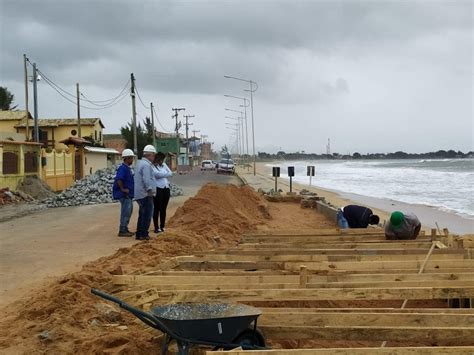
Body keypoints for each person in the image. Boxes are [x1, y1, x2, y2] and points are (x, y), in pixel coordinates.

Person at [133, 144, 156, 240]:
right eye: (153, 155)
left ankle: (139, 234)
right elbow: (146, 180)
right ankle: (144, 234)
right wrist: (150, 190)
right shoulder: (146, 165)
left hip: (139, 193)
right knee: (147, 214)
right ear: (149, 155)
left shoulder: (139, 163)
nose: (154, 157)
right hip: (145, 194)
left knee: (142, 214)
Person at [112, 149, 135, 237]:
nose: (132, 160)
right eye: (131, 158)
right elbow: (119, 179)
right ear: (127, 158)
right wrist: (123, 189)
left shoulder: (127, 168)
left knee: (128, 211)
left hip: (128, 195)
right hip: (124, 195)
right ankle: (122, 230)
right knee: (126, 212)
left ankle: (125, 228)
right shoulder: (123, 168)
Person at [152, 152, 173, 233]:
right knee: (157, 208)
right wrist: (166, 174)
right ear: (157, 159)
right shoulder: (152, 166)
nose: (161, 161)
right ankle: (156, 227)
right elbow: (157, 175)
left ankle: (162, 226)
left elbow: (171, 173)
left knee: (163, 208)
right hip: (158, 188)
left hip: (165, 188)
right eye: (160, 159)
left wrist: (164, 174)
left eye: (162, 159)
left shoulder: (164, 165)